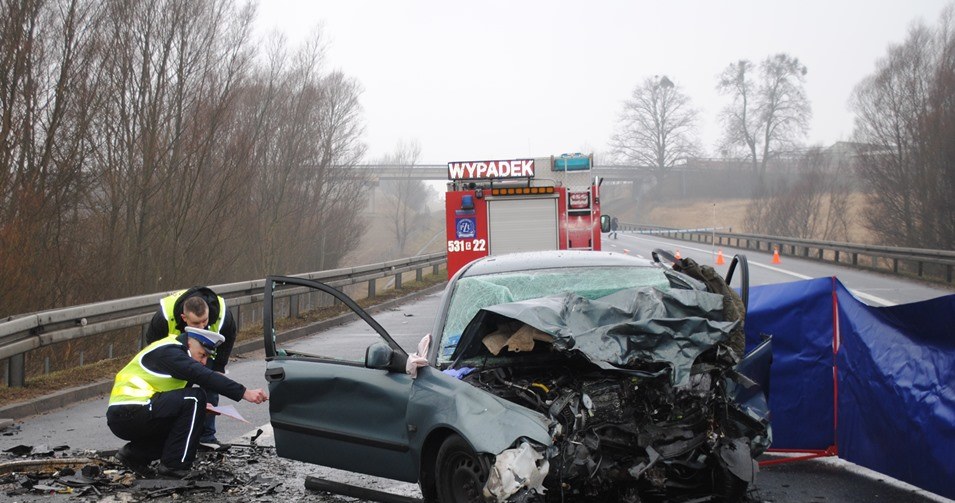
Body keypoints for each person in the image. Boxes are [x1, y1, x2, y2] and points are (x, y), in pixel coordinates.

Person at [107, 326, 268, 478]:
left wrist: (198, 409)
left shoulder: (175, 352)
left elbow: (167, 394)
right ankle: (174, 467)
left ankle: (134, 455)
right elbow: (205, 376)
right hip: (128, 412)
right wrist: (245, 392)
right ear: (190, 343)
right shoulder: (171, 352)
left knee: (191, 411)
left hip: (134, 412)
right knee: (195, 397)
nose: (204, 362)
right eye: (202, 354)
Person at [144, 287, 237, 450]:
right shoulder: (164, 317)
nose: (201, 327)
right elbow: (152, 344)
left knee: (210, 384)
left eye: (205, 322)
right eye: (195, 323)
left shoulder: (222, 315)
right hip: (174, 351)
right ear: (183, 318)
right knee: (173, 393)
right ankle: (168, 435)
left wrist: (220, 367)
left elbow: (229, 337)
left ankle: (206, 437)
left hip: (204, 351)